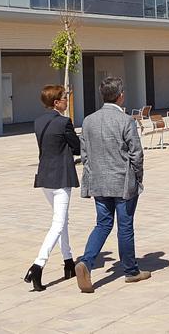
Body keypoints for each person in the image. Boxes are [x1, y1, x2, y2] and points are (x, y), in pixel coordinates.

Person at [73, 76, 149, 293]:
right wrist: (138, 177)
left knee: (103, 223)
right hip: (123, 182)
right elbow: (136, 154)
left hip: (99, 181)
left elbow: (85, 154)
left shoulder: (88, 121)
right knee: (125, 226)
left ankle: (86, 262)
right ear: (120, 95)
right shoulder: (125, 121)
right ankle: (131, 271)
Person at [23, 85, 80, 291]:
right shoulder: (64, 122)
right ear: (56, 102)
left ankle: (68, 262)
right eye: (65, 98)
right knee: (58, 223)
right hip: (61, 177)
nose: (67, 100)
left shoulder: (38, 122)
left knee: (62, 220)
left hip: (45, 176)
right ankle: (38, 265)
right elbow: (77, 147)